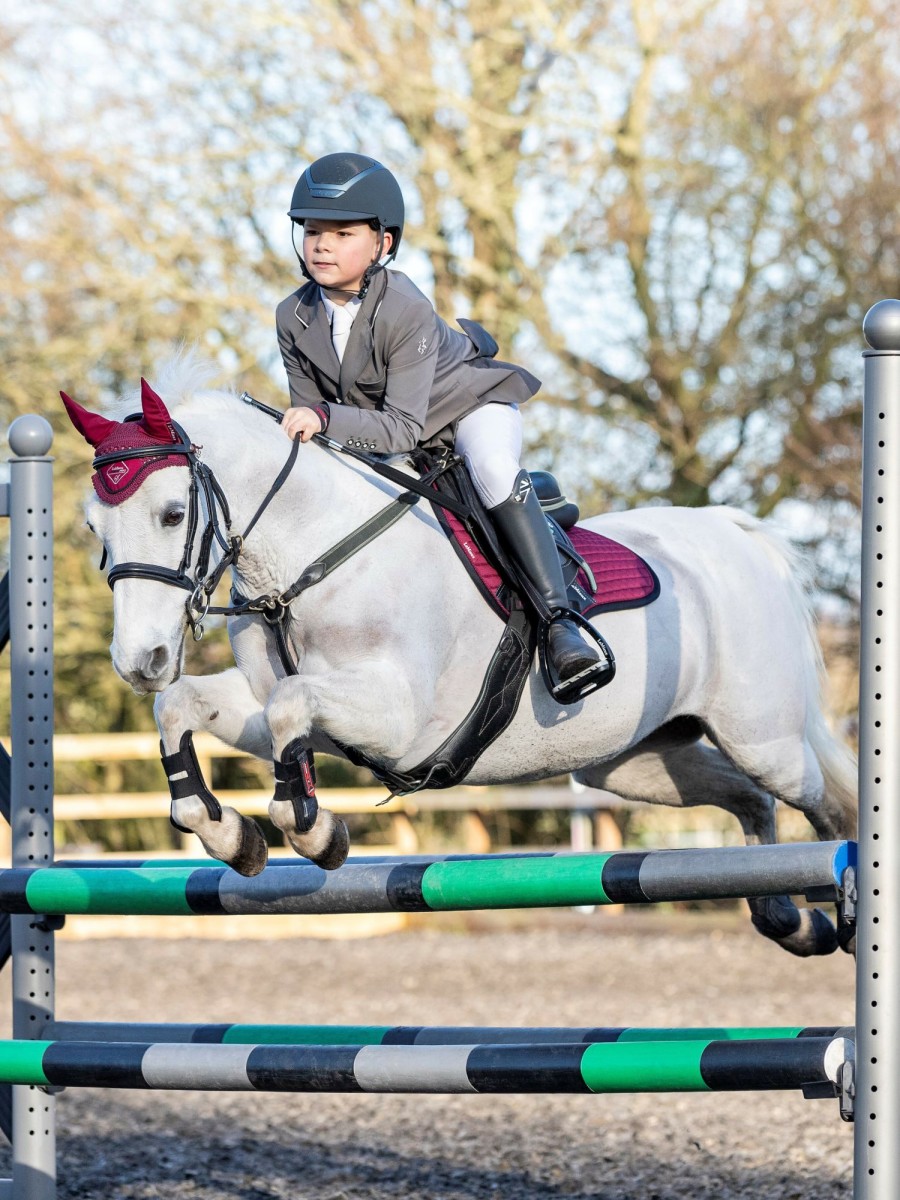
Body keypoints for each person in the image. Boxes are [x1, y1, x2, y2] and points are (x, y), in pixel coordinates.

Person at [276, 151, 608, 690]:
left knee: (495, 470)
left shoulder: (403, 304)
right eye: (312, 232)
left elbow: (400, 427)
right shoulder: (292, 316)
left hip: (467, 409)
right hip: (389, 430)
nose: (322, 245)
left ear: (383, 243)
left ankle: (561, 623)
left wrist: (319, 416)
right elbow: (320, 431)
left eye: (341, 234)